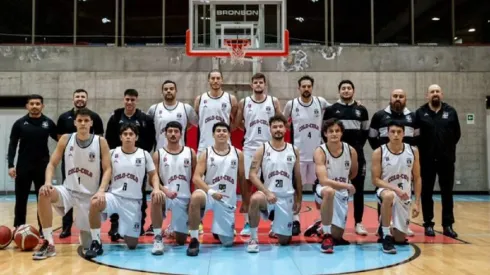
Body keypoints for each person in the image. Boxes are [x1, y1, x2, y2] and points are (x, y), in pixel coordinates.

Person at [32, 108, 112, 260]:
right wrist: (48, 183)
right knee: (44, 193)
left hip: (89, 195)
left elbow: (108, 169)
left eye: (86, 120)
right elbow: (51, 164)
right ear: (75, 123)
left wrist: (101, 190)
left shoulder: (100, 142)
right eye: (80, 121)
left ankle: (95, 240)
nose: (83, 123)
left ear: (91, 123)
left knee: (87, 245)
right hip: (68, 191)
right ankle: (49, 243)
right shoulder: (65, 139)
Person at [84, 123, 165, 259]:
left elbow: (154, 175)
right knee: (95, 202)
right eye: (125, 134)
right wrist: (101, 191)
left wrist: (156, 188)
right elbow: (106, 173)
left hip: (133, 201)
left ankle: (124, 229)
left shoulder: (144, 154)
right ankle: (96, 242)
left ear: (136, 137)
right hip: (114, 196)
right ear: (120, 137)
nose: (128, 137)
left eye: (131, 134)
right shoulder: (112, 153)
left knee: (132, 245)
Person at [186, 122, 247, 257]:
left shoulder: (238, 154)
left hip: (226, 201)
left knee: (228, 243)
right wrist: (211, 192)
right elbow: (196, 178)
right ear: (213, 134)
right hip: (209, 195)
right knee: (196, 196)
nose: (221, 133)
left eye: (224, 131)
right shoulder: (206, 153)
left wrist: (245, 201)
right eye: (218, 131)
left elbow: (242, 178)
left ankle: (219, 230)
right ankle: (194, 239)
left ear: (229, 134)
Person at [246, 114, 302, 252]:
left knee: (284, 242)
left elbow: (298, 176)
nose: (278, 129)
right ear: (270, 129)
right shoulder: (262, 149)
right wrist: (266, 192)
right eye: (274, 127)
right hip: (268, 196)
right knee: (255, 199)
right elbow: (252, 174)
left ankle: (276, 223)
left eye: (280, 127)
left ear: (285, 129)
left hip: (286, 197)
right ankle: (253, 238)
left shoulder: (293, 150)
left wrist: (299, 199)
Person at [320, 80, 369, 236]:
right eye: (343, 88)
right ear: (339, 91)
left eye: (349, 88)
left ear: (353, 91)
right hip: (335, 156)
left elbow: (365, 132)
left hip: (356, 154)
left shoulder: (362, 110)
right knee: (331, 190)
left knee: (358, 189)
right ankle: (328, 222)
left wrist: (354, 149)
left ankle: (358, 223)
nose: (346, 91)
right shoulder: (331, 110)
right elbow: (324, 131)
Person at [235, 72, 282, 236]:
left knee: (272, 184)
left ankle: (275, 224)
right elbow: (237, 123)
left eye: (261, 82)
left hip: (269, 148)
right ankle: (248, 222)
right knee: (247, 186)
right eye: (256, 82)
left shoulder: (273, 101)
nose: (258, 85)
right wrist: (250, 130)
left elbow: (280, 122)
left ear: (265, 84)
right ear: (251, 85)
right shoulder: (244, 102)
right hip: (250, 147)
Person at [105, 88, 155, 239]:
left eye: (132, 100)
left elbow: (150, 139)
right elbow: (109, 138)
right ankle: (114, 226)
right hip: (117, 160)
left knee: (139, 192)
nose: (129, 102)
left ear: (136, 101)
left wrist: (139, 157)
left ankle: (138, 223)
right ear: (124, 100)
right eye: (127, 99)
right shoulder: (115, 116)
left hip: (137, 162)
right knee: (115, 192)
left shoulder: (144, 118)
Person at [368, 88, 418, 236]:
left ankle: (402, 224)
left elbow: (418, 137)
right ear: (390, 98)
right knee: (385, 193)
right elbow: (371, 136)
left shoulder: (412, 116)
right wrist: (382, 152)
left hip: (406, 158)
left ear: (405, 99)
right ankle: (382, 225)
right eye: (395, 96)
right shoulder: (379, 115)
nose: (398, 98)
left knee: (405, 191)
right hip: (386, 158)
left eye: (401, 96)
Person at [283, 75, 329, 236]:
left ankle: (321, 221)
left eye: (309, 86)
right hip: (298, 155)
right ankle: (295, 220)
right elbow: (283, 123)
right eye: (303, 86)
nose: (306, 88)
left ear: (312, 87)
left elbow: (337, 109)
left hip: (317, 155)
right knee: (296, 189)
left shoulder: (320, 102)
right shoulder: (292, 104)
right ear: (299, 88)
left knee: (320, 189)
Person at [56, 89, 104, 238]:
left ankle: (90, 227)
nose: (80, 99)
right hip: (70, 161)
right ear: (73, 99)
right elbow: (59, 138)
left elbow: (100, 138)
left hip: (90, 162)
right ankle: (66, 227)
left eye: (83, 96)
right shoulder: (64, 117)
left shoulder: (94, 116)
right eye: (77, 96)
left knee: (88, 194)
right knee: (69, 189)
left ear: (86, 99)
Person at [8, 94, 57, 234]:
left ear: (42, 106)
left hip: (42, 167)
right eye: (32, 104)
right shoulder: (19, 123)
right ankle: (18, 228)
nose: (35, 106)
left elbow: (61, 140)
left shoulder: (48, 123)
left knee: (42, 200)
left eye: (37, 103)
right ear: (27, 106)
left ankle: (44, 229)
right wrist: (11, 165)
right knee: (20, 199)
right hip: (23, 166)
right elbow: (12, 145)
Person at [415, 84, 460, 238]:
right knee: (426, 192)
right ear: (427, 95)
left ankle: (448, 225)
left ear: (442, 94)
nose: (435, 94)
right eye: (432, 92)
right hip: (426, 160)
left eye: (437, 91)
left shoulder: (451, 112)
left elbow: (456, 134)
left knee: (447, 193)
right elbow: (415, 136)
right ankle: (428, 224)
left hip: (446, 160)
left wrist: (445, 149)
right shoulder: (420, 113)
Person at [371, 121, 421, 254]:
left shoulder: (413, 151)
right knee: (389, 195)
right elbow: (375, 180)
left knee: (400, 239)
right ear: (388, 134)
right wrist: (395, 189)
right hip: (385, 191)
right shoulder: (379, 152)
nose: (396, 135)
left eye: (399, 132)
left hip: (404, 196)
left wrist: (417, 203)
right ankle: (386, 236)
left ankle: (384, 225)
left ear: (404, 134)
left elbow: (417, 178)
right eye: (392, 132)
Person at [313, 119, 358, 253]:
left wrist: (344, 185)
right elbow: (323, 180)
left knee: (338, 237)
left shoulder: (351, 151)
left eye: (337, 131)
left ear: (342, 133)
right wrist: (345, 185)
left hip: (341, 191)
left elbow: (353, 173)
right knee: (329, 191)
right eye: (330, 131)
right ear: (325, 134)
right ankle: (326, 235)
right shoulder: (320, 151)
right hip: (322, 190)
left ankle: (319, 227)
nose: (334, 134)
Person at [153, 121, 197, 245]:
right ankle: (157, 237)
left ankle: (173, 227)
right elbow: (153, 178)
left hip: (184, 197)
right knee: (155, 196)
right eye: (170, 131)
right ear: (165, 134)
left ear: (181, 134)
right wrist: (163, 190)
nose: (173, 134)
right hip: (165, 195)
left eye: (176, 131)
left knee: (181, 241)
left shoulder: (190, 153)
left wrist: (193, 198)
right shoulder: (159, 154)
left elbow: (197, 178)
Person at [194, 70, 238, 157]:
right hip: (204, 145)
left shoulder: (231, 99)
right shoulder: (200, 99)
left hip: (225, 145)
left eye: (218, 78)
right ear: (208, 80)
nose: (215, 81)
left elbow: (234, 122)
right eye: (212, 78)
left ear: (222, 80)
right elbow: (197, 119)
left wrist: (226, 132)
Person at [147, 80, 198, 149]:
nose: (168, 91)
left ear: (176, 91)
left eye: (171, 89)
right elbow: (147, 129)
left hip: (181, 153)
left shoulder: (186, 108)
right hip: (160, 153)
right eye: (165, 89)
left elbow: (200, 124)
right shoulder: (154, 109)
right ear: (162, 92)